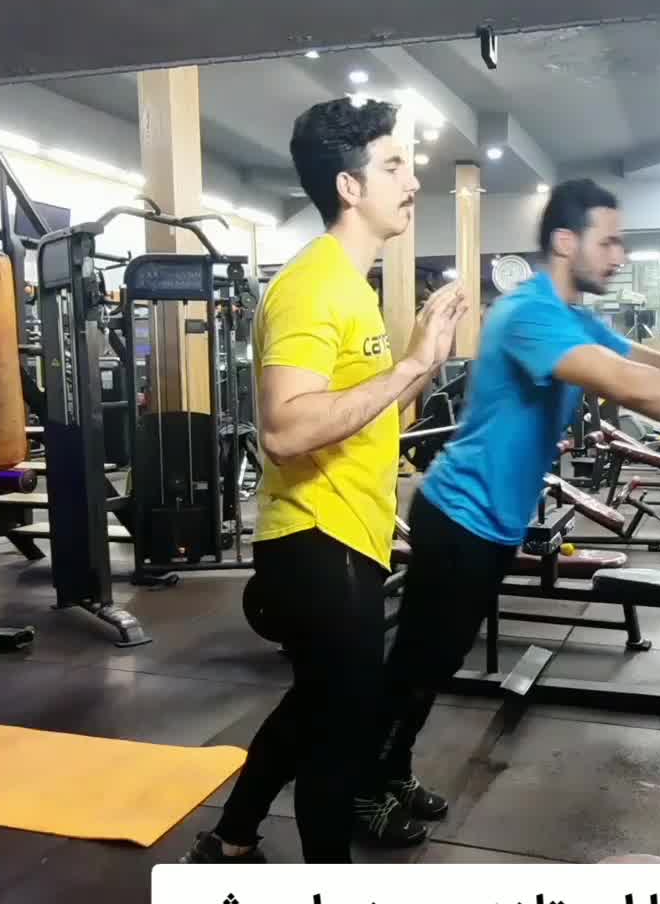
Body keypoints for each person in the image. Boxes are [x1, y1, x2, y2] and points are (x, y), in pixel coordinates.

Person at [373, 179, 660, 804]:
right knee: (419, 664)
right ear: (565, 242)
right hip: (459, 518)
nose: (619, 256)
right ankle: (363, 786)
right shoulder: (526, 314)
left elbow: (658, 367)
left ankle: (388, 770)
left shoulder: (573, 318)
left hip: (488, 525)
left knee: (437, 659)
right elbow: (632, 387)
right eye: (609, 242)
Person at [187, 97, 468, 864]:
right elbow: (285, 427)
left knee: (314, 709)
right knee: (339, 736)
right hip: (317, 540)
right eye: (394, 166)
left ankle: (231, 840)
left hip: (346, 535)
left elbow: (365, 419)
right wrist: (412, 365)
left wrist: (421, 363)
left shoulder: (349, 285)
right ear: (349, 186)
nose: (413, 181)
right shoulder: (314, 285)